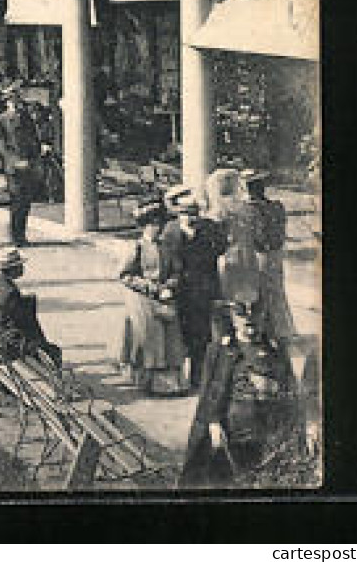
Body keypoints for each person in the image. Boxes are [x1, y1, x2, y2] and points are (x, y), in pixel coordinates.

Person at [179, 300, 310, 488]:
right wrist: (214, 423)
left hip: (269, 428)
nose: (250, 327)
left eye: (256, 319)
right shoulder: (222, 351)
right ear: (232, 319)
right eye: (242, 318)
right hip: (236, 431)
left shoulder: (275, 349)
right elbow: (212, 391)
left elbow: (289, 387)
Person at [161, 185, 227, 391]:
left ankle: (198, 378)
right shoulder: (170, 231)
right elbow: (164, 263)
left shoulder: (210, 229)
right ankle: (178, 379)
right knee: (178, 334)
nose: (189, 219)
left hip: (202, 291)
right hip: (178, 290)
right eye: (184, 214)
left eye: (193, 214)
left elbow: (221, 249)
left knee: (201, 335)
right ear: (178, 214)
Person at [116, 201, 185, 394]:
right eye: (153, 224)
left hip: (164, 295)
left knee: (170, 336)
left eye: (160, 224)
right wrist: (150, 288)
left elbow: (176, 271)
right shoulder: (136, 247)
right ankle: (144, 379)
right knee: (148, 336)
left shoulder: (167, 247)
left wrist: (171, 285)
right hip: (142, 297)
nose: (158, 228)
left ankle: (169, 381)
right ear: (145, 226)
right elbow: (125, 275)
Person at [0, 248, 62, 367]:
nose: (22, 268)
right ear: (12, 269)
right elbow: (21, 321)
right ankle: (52, 381)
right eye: (20, 266)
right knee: (53, 350)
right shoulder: (10, 291)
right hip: (7, 342)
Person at [243, 170, 296, 340]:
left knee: (262, 291)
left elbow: (256, 236)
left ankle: (265, 328)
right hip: (275, 253)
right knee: (275, 290)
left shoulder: (250, 210)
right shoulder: (276, 206)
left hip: (260, 254)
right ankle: (279, 328)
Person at [206, 167, 265, 318]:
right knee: (247, 294)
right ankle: (247, 327)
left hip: (228, 256)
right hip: (247, 255)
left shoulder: (216, 211)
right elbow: (258, 235)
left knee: (228, 294)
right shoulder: (248, 209)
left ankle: (230, 330)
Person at [0, 81, 46, 247]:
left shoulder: (26, 118)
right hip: (14, 168)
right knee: (16, 201)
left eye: (16, 98)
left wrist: (36, 155)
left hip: (29, 165)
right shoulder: (0, 121)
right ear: (6, 101)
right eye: (11, 99)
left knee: (26, 202)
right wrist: (14, 161)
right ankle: (15, 236)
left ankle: (22, 235)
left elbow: (34, 139)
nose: (15, 102)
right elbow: (1, 146)